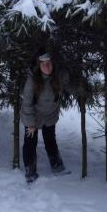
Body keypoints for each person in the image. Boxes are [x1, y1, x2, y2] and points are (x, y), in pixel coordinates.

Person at [21, 46, 73, 183]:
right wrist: (30, 124)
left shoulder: (58, 76)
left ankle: (57, 165)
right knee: (30, 143)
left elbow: (69, 84)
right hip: (33, 115)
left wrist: (84, 91)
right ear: (39, 65)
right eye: (44, 64)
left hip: (50, 115)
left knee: (50, 140)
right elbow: (26, 103)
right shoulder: (32, 80)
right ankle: (30, 171)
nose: (47, 67)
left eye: (49, 63)